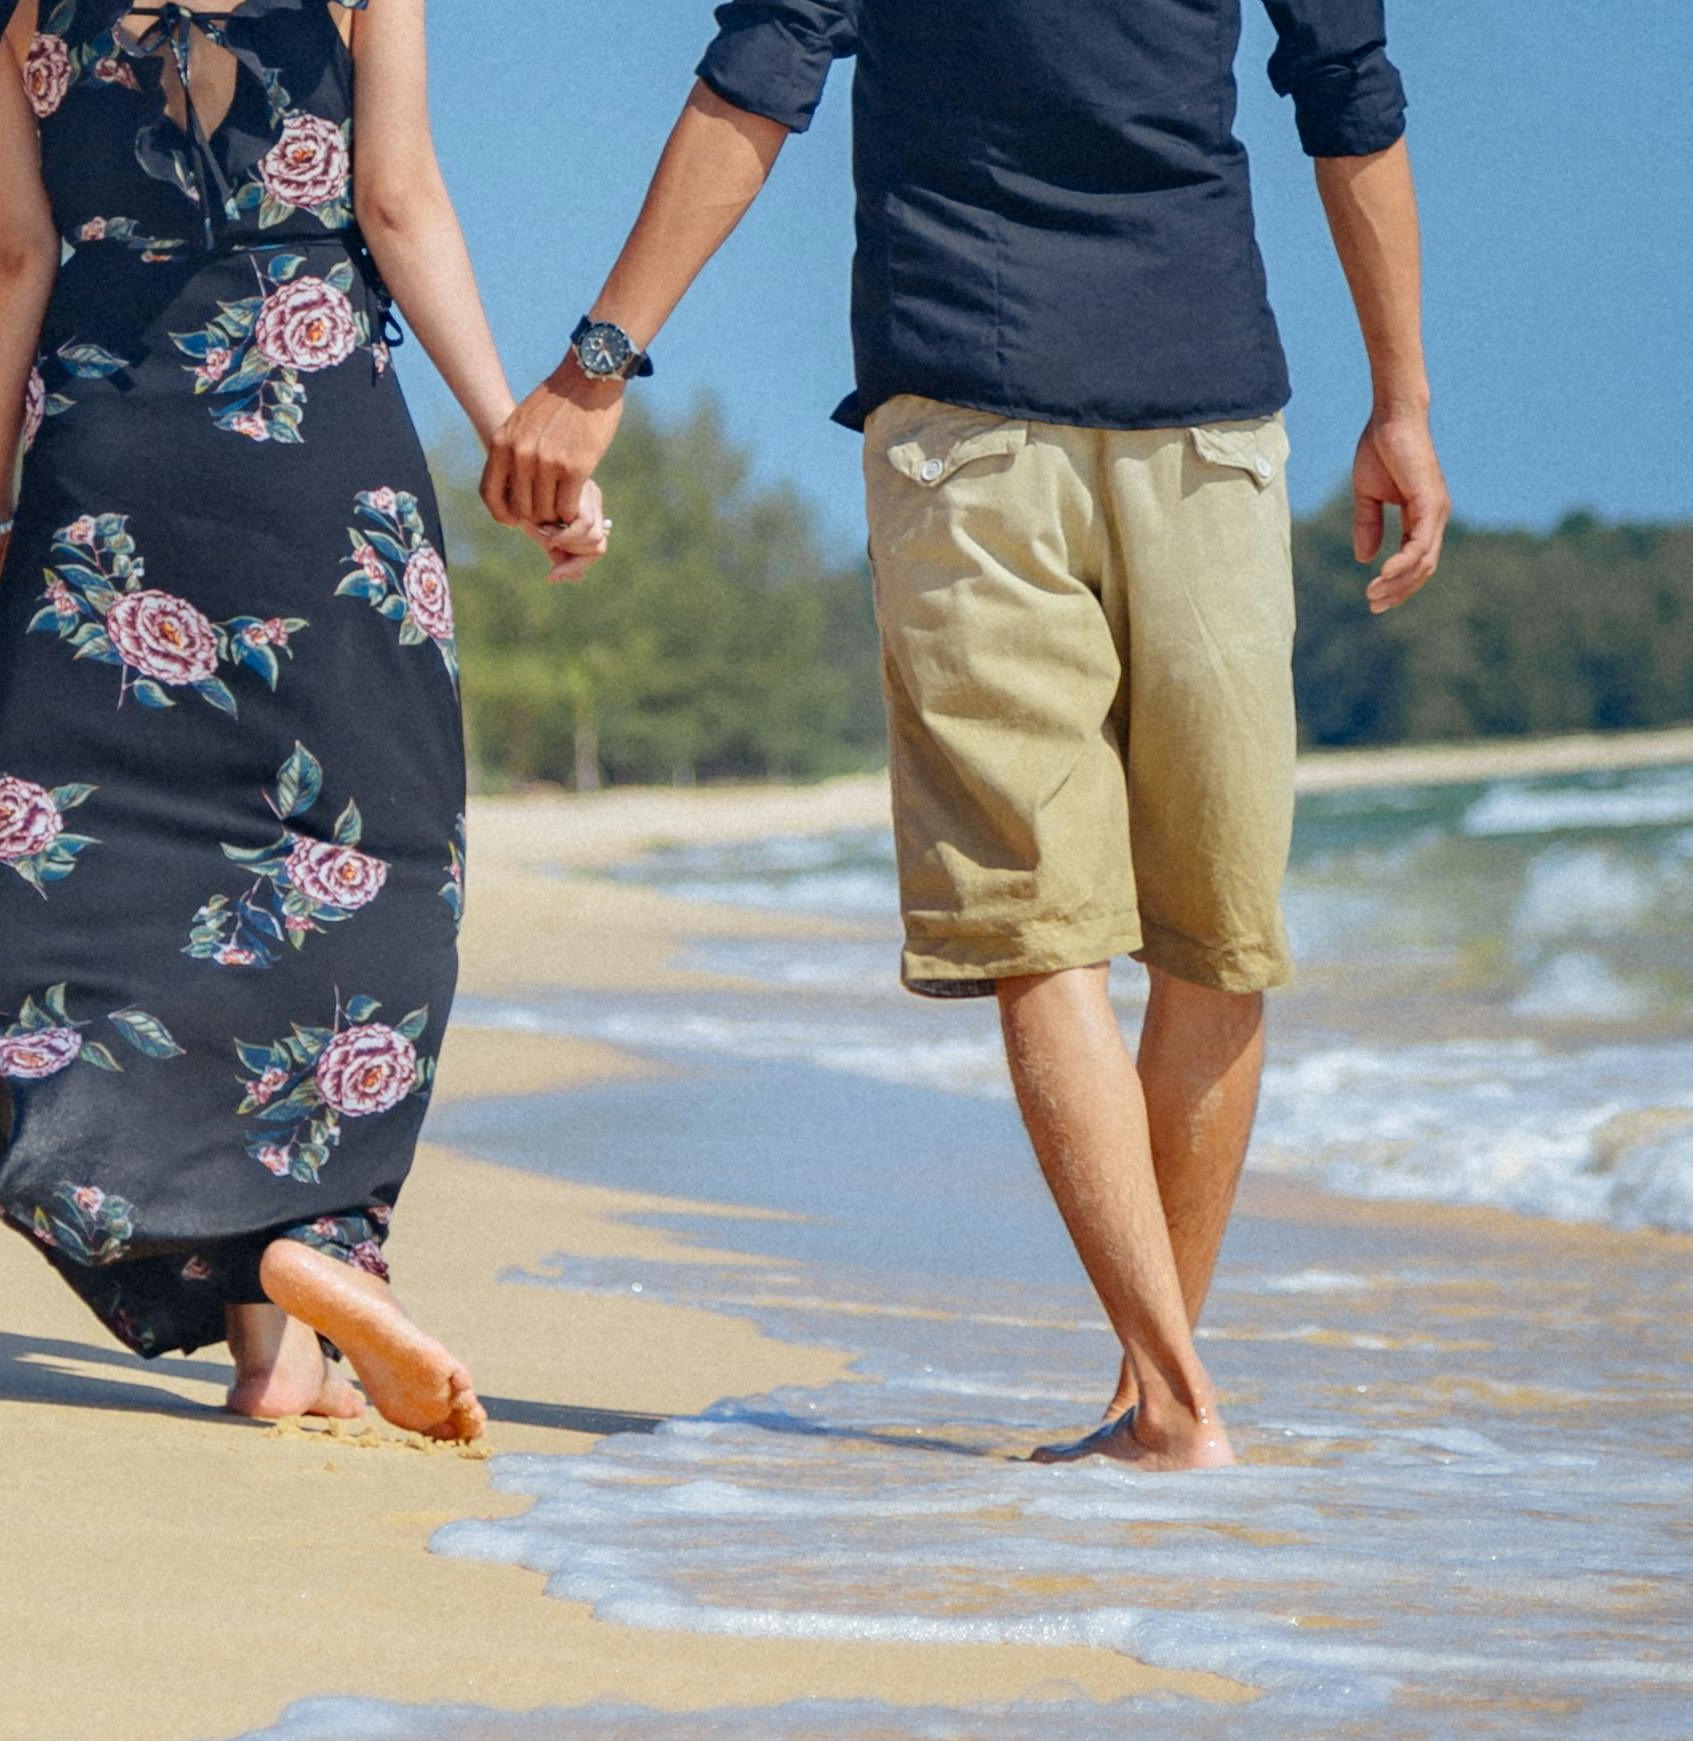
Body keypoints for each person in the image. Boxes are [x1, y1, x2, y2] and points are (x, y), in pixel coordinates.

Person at [486, 0, 1449, 1469]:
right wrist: (1400, 403)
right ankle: (1170, 1401)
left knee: (1105, 929)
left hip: (1043, 426)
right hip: (1129, 427)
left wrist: (596, 364)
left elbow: (760, 74)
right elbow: (1350, 95)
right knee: (1172, 932)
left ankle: (1159, 1403)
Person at [0, 0, 605, 1441]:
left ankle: (274, 1346)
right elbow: (399, 205)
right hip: (319, 457)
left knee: (107, 873)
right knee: (366, 859)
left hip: (110, 466)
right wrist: (509, 440)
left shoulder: (8, 9)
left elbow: (13, 255)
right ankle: (320, 1247)